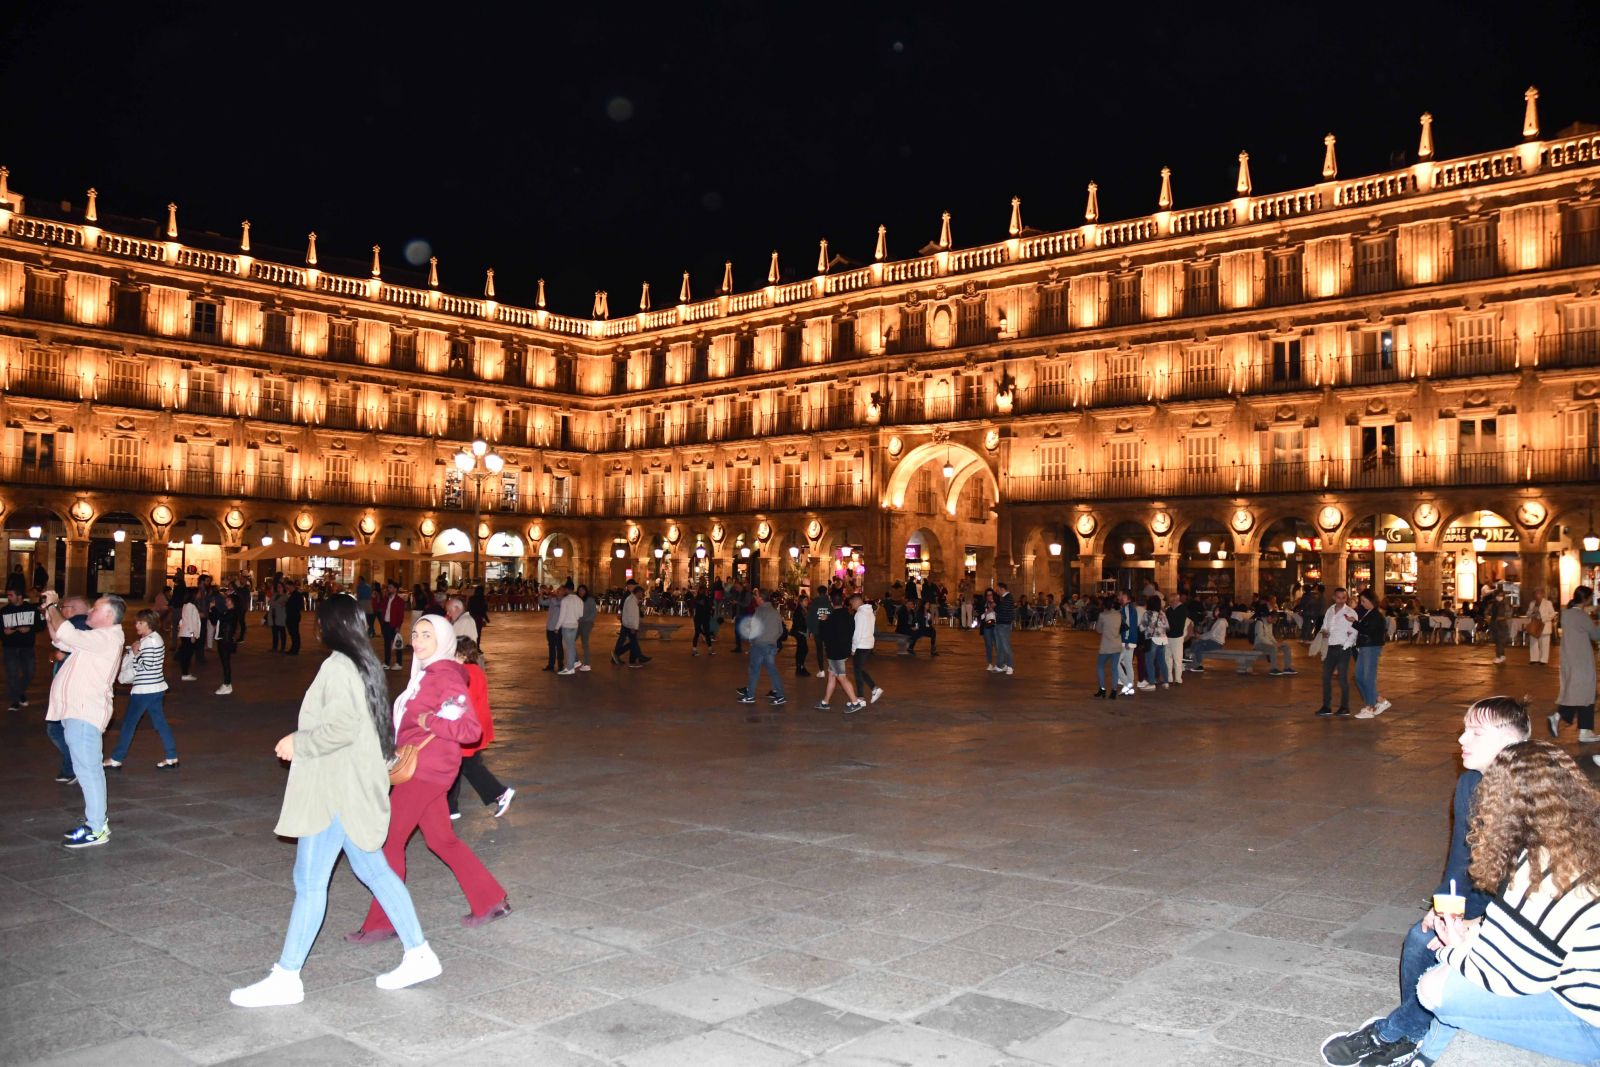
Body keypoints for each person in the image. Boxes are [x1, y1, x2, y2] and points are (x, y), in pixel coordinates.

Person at [230, 595, 440, 1007]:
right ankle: (419, 954)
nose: (317, 626)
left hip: (335, 792)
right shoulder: (365, 664)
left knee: (310, 883)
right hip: (353, 788)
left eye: (321, 621)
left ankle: (286, 977)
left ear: (332, 625)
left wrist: (299, 741)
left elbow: (342, 727)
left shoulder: (339, 666)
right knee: (375, 872)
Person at [1320, 695, 1532, 1067]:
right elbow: (1460, 858)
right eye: (1464, 729)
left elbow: (1535, 895)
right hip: (1484, 895)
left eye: (1475, 733)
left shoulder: (1533, 796)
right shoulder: (1470, 783)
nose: (1461, 739)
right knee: (1422, 936)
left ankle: (1395, 1031)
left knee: (1428, 944)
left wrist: (1478, 925)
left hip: (1520, 913)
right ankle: (1414, 1031)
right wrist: (1445, 907)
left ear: (1508, 743)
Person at [1408, 740, 1600, 1065]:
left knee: (1436, 987)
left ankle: (1423, 1051)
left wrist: (1453, 948)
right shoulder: (1578, 840)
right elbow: (1521, 929)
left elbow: (1511, 977)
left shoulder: (1547, 872)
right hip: (1577, 981)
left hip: (1588, 1023)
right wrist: (1473, 928)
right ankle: (1428, 1056)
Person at [349, 614, 510, 943]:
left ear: (444, 639)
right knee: (441, 840)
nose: (418, 641)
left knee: (390, 841)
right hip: (425, 769)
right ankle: (491, 900)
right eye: (416, 634)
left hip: (426, 771)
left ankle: (383, 922)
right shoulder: (427, 673)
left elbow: (469, 729)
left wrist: (428, 721)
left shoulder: (445, 676)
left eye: (427, 634)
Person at [42, 591, 127, 849]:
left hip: (84, 713)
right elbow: (60, 639)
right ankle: (97, 823)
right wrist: (49, 611)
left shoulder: (107, 637)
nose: (89, 612)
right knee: (88, 770)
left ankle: (96, 828)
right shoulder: (96, 638)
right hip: (77, 712)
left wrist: (54, 605)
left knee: (88, 772)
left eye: (95, 609)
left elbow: (67, 633)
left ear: (108, 615)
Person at [445, 637, 515, 820]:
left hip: (468, 728)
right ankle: (451, 807)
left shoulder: (466, 672)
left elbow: (461, 703)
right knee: (459, 765)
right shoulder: (474, 670)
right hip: (474, 727)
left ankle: (500, 793)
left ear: (462, 654)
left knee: (469, 766)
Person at [105, 609, 178, 770]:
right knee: (159, 723)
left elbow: (147, 666)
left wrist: (135, 654)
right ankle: (171, 756)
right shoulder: (154, 638)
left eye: (140, 622)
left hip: (144, 690)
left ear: (149, 623)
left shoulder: (149, 641)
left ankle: (117, 758)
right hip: (156, 687)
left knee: (129, 724)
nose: (136, 625)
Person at [1550, 585, 1599, 745]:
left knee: (1579, 693)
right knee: (1586, 693)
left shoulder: (1566, 614)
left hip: (1569, 659)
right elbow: (1596, 635)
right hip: (1582, 660)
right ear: (1586, 599)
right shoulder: (1581, 616)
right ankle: (1575, 726)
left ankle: (1584, 730)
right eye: (1590, 597)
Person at [735, 588, 786, 706]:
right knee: (772, 670)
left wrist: (752, 641)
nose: (755, 598)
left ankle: (750, 695)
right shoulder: (775, 612)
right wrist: (772, 639)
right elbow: (780, 631)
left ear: (761, 599)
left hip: (759, 645)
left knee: (754, 670)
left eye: (756, 596)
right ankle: (780, 695)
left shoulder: (759, 611)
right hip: (771, 645)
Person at [816, 593, 863, 712]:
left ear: (832, 603)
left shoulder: (830, 618)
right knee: (832, 676)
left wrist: (823, 622)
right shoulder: (849, 616)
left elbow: (822, 636)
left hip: (835, 653)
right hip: (845, 650)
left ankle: (855, 702)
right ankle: (825, 702)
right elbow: (852, 631)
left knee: (841, 677)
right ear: (842, 603)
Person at [1316, 587, 1358, 717]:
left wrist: (1346, 646)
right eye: (1338, 597)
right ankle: (1326, 706)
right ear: (1334, 597)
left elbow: (1354, 631)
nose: (1341, 600)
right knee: (1326, 677)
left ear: (1346, 598)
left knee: (1342, 678)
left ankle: (1345, 707)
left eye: (1343, 598)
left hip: (1342, 648)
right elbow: (1325, 625)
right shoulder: (1330, 610)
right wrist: (1324, 632)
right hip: (1330, 647)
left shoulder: (1350, 612)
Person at [3, 586, 43, 712]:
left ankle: (19, 692)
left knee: (30, 672)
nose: (8, 597)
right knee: (12, 674)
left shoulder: (31, 609)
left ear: (19, 596)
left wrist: (30, 628)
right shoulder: (4, 611)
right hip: (9, 647)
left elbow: (42, 625)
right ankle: (15, 701)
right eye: (8, 595)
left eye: (11, 595)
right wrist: (4, 632)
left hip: (27, 647)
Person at [1353, 589, 1390, 718]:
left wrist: (1354, 623)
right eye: (1361, 601)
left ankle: (1370, 707)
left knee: (1368, 678)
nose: (1362, 603)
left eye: (1364, 601)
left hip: (1371, 647)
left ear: (1371, 600)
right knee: (1358, 676)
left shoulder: (1377, 615)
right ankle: (1380, 700)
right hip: (1365, 647)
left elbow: (1368, 631)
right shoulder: (1369, 613)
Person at [850, 592, 882, 705]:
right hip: (868, 643)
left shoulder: (859, 614)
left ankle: (861, 697)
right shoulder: (870, 612)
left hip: (861, 645)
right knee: (859, 669)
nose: (852, 606)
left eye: (852, 604)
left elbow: (857, 633)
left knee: (857, 672)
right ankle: (874, 689)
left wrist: (853, 648)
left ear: (856, 601)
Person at [1094, 598, 1123, 699]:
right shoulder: (1119, 615)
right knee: (1114, 668)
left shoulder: (1102, 615)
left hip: (1106, 646)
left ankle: (1102, 689)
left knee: (1100, 666)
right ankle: (1114, 690)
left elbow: (1098, 630)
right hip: (1117, 645)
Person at [612, 586, 648, 667]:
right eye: (642, 593)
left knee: (633, 643)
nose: (643, 595)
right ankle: (632, 658)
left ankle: (633, 659)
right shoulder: (631, 601)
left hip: (628, 625)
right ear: (638, 592)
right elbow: (631, 615)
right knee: (633, 643)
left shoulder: (632, 599)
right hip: (630, 626)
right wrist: (633, 626)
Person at [214, 591, 241, 696]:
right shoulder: (228, 611)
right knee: (224, 662)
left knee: (226, 663)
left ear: (232, 602)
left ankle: (227, 684)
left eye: (228, 599)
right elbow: (216, 619)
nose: (226, 600)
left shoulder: (232, 613)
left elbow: (221, 618)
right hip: (223, 639)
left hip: (226, 641)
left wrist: (213, 608)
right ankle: (227, 684)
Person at [1164, 592, 1190, 684]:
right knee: (1168, 658)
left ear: (1176, 600)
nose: (1170, 603)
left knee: (1177, 659)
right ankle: (1169, 678)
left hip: (1177, 637)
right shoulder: (1169, 610)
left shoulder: (1182, 609)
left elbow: (1176, 624)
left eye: (1171, 601)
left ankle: (1178, 679)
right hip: (1168, 636)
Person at [1525, 587, 1555, 665]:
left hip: (1544, 624)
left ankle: (1543, 660)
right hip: (1534, 624)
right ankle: (1534, 658)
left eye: (1538, 593)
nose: (1536, 595)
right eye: (1535, 593)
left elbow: (1553, 613)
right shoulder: (1532, 603)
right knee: (1533, 642)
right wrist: (1531, 613)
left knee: (1544, 643)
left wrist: (1544, 618)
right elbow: (1527, 613)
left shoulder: (1548, 603)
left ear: (1542, 594)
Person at [556, 585, 582, 674]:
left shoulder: (565, 600)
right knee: (571, 645)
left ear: (567, 589)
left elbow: (562, 615)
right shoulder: (579, 600)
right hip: (575, 626)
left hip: (566, 626)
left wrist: (557, 627)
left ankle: (570, 668)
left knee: (568, 647)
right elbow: (580, 615)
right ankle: (576, 662)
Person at [992, 582, 1016, 675]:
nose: (997, 592)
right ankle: (1000, 665)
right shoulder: (1004, 598)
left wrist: (995, 607)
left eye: (997, 590)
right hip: (1000, 624)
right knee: (1000, 647)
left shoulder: (1008, 598)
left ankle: (1010, 666)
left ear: (1002, 589)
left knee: (1006, 646)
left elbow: (1001, 610)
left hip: (1004, 625)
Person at [1485, 588, 1512, 664]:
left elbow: (1509, 614)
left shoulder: (1505, 604)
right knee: (1497, 641)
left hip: (1502, 625)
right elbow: (1486, 612)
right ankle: (1502, 656)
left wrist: (1502, 618)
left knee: (1500, 641)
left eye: (1501, 595)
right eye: (1498, 595)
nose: (1500, 597)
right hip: (1494, 624)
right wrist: (1488, 617)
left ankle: (1498, 656)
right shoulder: (1492, 604)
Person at [542, 587, 564, 671]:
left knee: (559, 646)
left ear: (563, 592)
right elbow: (542, 602)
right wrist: (541, 594)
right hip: (550, 627)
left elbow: (556, 603)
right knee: (551, 646)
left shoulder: (564, 601)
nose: (557, 592)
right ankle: (551, 665)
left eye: (559, 591)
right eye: (557, 590)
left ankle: (560, 665)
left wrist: (550, 595)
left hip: (558, 627)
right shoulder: (552, 599)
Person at [575, 584, 596, 670]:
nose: (581, 592)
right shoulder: (576, 599)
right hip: (577, 623)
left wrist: (587, 620)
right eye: (579, 590)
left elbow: (593, 612)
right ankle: (576, 660)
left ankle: (587, 664)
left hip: (587, 623)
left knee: (585, 643)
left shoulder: (590, 600)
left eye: (583, 590)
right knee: (570, 641)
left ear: (586, 591)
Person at [790, 592, 811, 675]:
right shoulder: (799, 611)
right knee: (802, 649)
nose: (807, 602)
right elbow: (798, 623)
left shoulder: (804, 610)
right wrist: (804, 632)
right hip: (799, 632)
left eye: (807, 600)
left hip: (802, 632)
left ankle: (800, 666)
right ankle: (800, 667)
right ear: (801, 602)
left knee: (803, 649)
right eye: (805, 600)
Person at [692, 589, 717, 656]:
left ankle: (694, 650)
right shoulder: (707, 599)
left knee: (696, 634)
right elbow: (711, 608)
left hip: (698, 617)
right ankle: (710, 650)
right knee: (707, 633)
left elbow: (694, 608)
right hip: (705, 617)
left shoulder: (696, 599)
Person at [284, 580, 304, 655]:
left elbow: (297, 606)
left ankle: (295, 649)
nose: (287, 589)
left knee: (294, 633)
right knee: (292, 633)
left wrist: (287, 603)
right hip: (290, 616)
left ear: (291, 586)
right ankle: (293, 648)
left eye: (287, 587)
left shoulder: (297, 595)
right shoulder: (291, 594)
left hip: (294, 616)